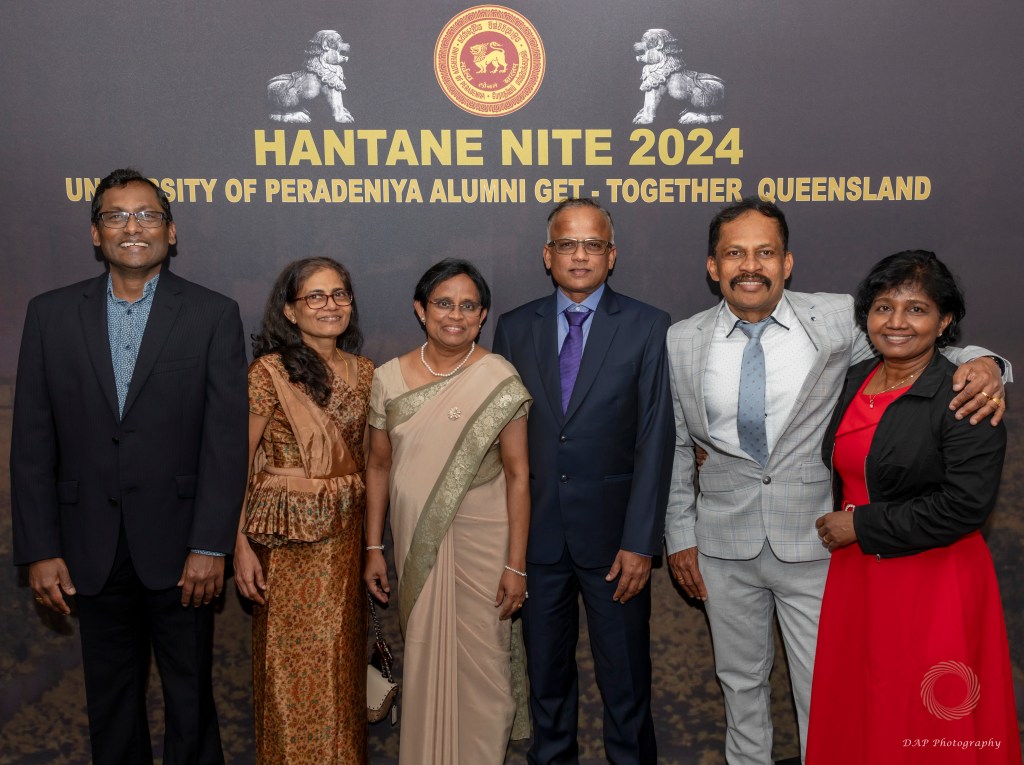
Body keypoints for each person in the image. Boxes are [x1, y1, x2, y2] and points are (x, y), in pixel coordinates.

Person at [664, 198, 1009, 765]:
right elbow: (679, 444)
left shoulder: (834, 319)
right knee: (739, 686)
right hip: (723, 542)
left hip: (819, 541)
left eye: (765, 252)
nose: (750, 266)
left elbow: (917, 340)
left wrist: (991, 363)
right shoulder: (682, 338)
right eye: (734, 253)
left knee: (825, 690)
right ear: (713, 266)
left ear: (787, 262)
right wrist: (680, 535)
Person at [10, 168, 248, 764]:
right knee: (110, 703)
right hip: (88, 545)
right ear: (96, 233)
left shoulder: (213, 314)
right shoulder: (50, 315)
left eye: (147, 215)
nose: (132, 227)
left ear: (171, 230)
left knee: (190, 701)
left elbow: (224, 443)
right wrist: (40, 548)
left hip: (182, 548)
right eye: (116, 216)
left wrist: (210, 544)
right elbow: (32, 442)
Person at [806, 250, 1020, 764]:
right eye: (884, 307)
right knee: (864, 706)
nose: (896, 322)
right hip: (859, 576)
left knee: (928, 719)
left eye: (916, 309)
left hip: (935, 579)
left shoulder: (965, 394)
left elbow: (964, 506)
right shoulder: (855, 377)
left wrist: (861, 525)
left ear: (945, 321)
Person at [492, 198, 674, 765]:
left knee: (626, 686)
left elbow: (655, 439)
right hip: (538, 540)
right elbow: (501, 441)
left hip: (616, 544)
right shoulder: (514, 327)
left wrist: (641, 542)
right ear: (547, 255)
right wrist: (509, 547)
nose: (579, 255)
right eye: (566, 244)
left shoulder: (648, 325)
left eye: (592, 244)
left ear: (611, 255)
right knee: (547, 685)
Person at [363, 258, 532, 765]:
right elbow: (377, 466)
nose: (454, 315)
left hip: (487, 543)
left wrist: (516, 565)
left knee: (486, 665)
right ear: (421, 309)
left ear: (482, 316)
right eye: (443, 303)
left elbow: (519, 474)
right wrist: (373, 547)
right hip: (417, 543)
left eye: (467, 306)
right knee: (424, 654)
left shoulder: (498, 377)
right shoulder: (387, 379)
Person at [234, 257, 373, 763]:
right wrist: (238, 545)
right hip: (288, 547)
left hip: (345, 541)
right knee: (290, 672)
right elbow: (239, 461)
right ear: (290, 311)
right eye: (315, 296)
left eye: (339, 294)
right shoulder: (269, 372)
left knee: (342, 669)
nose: (330, 305)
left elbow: (370, 462)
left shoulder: (365, 372)